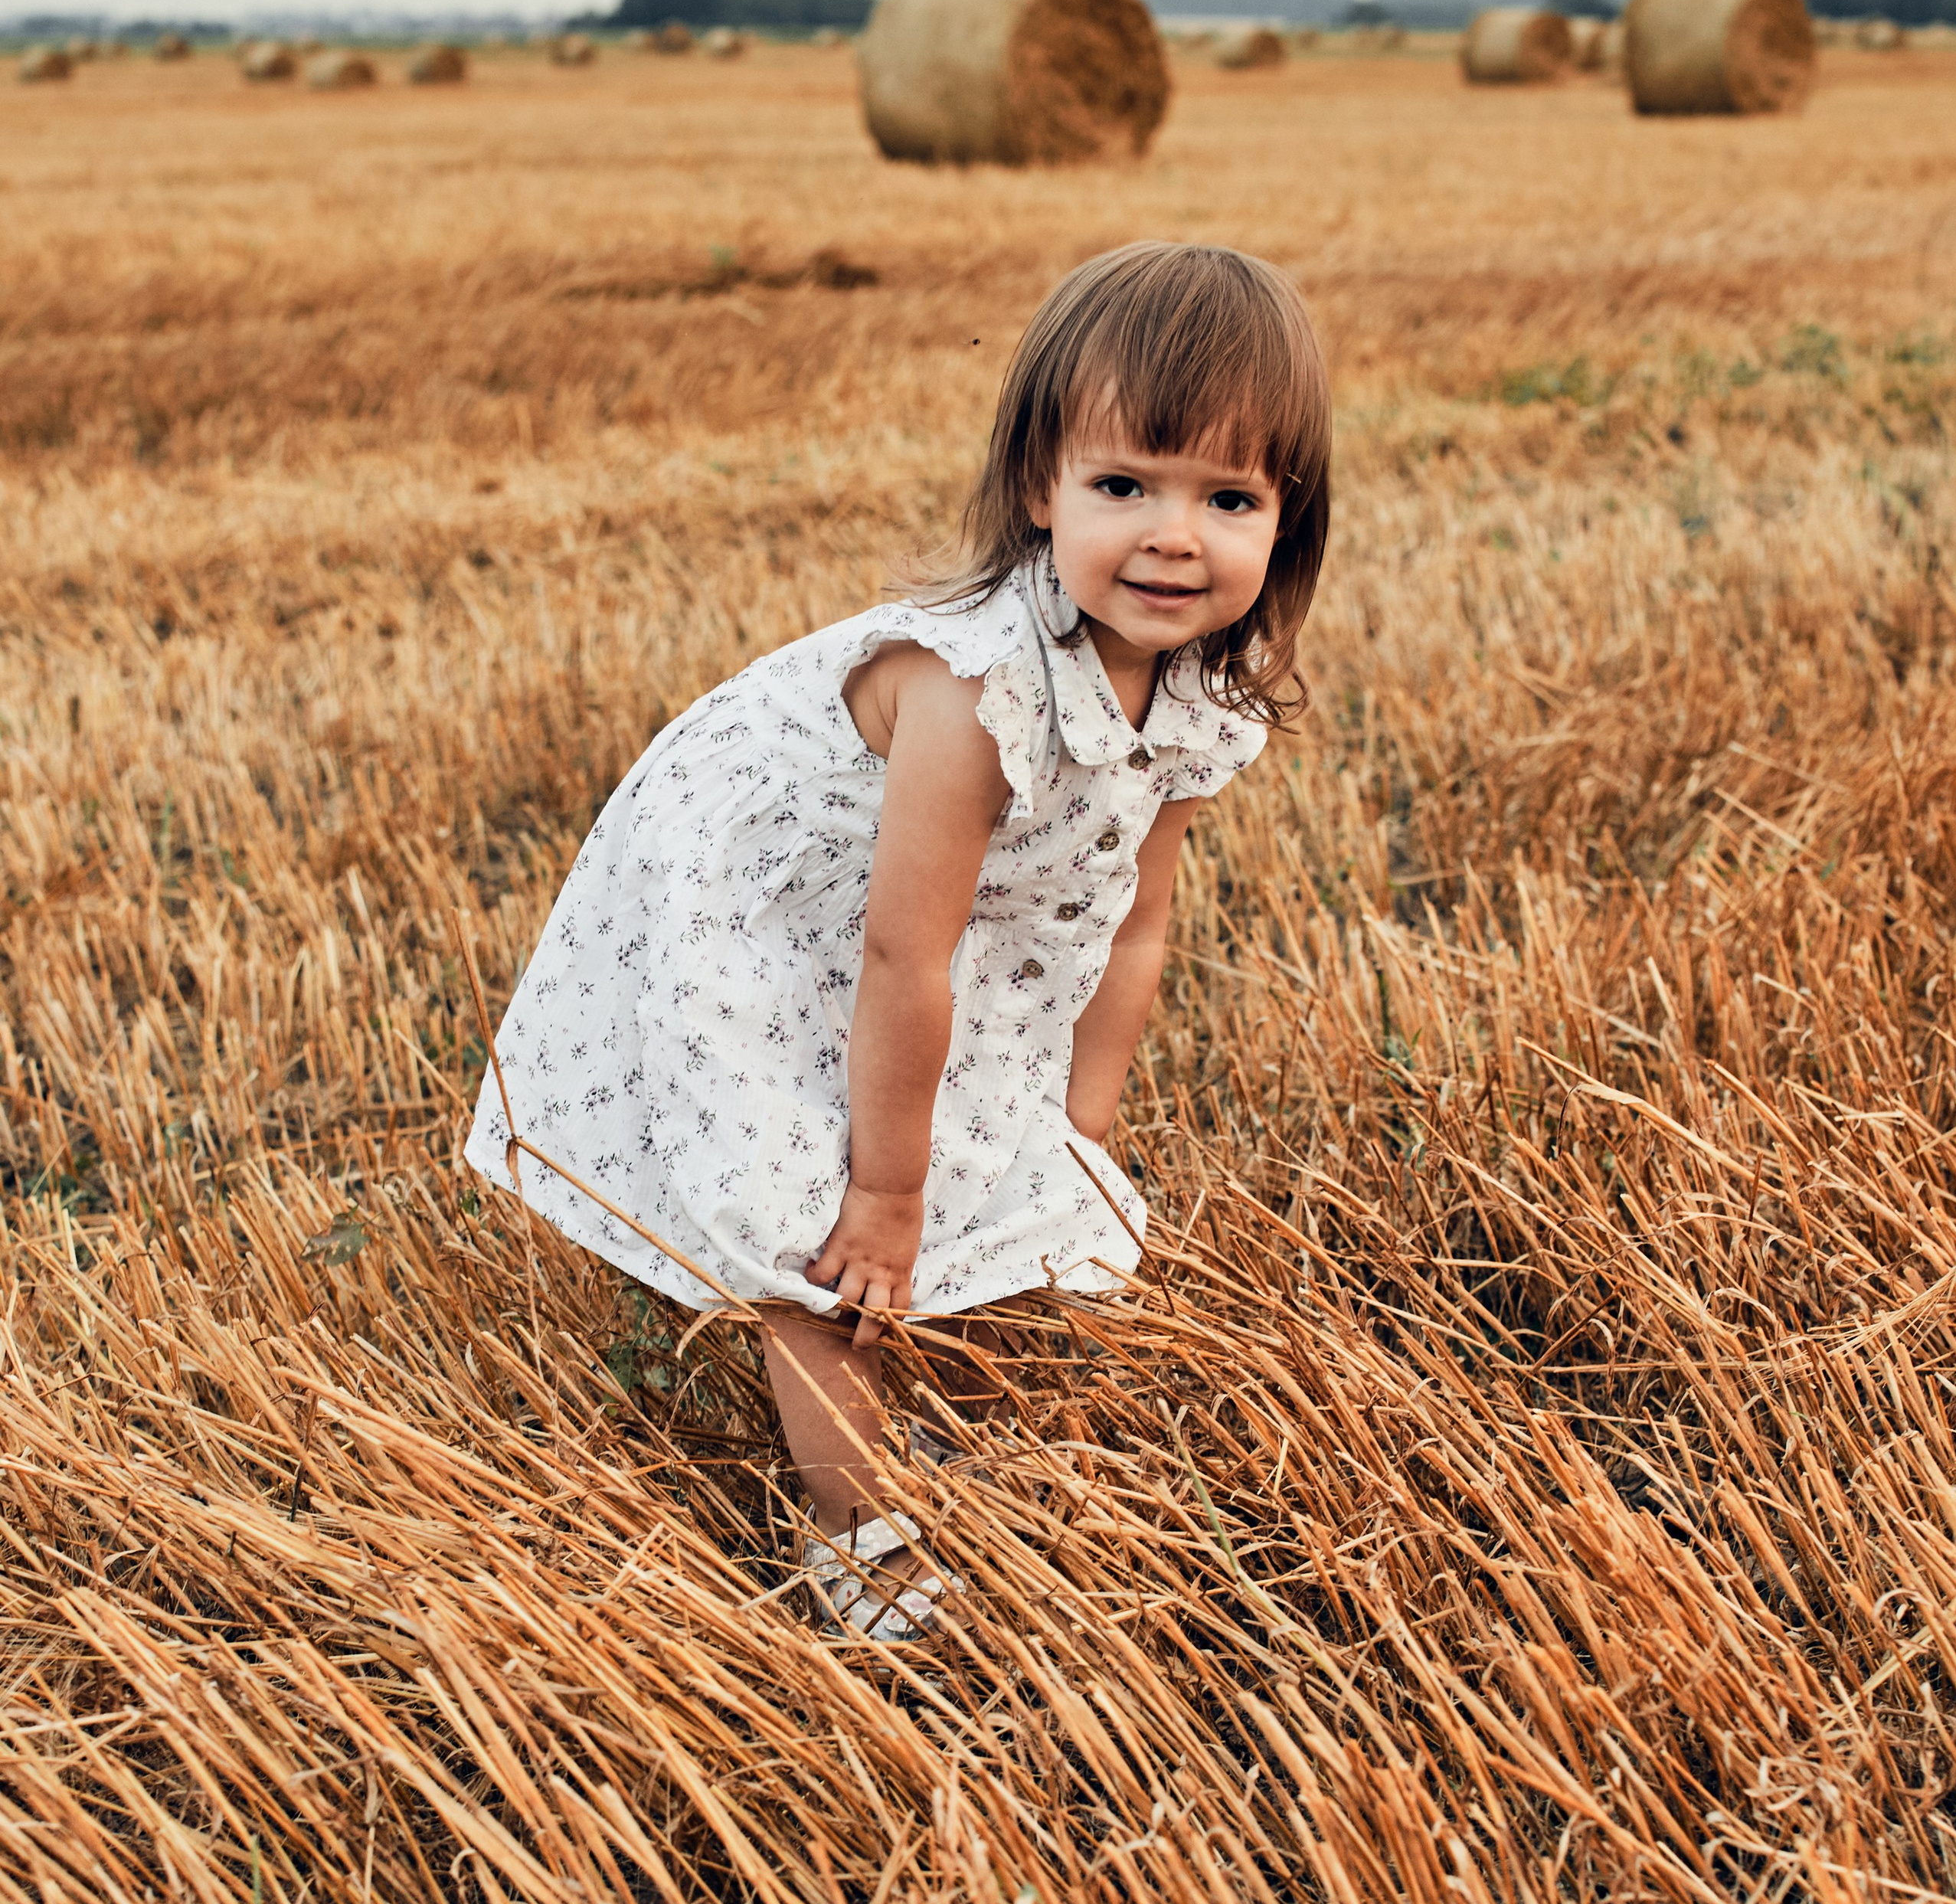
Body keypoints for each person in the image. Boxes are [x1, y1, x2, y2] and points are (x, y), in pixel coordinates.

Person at [465, 240, 1333, 1638]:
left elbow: (1133, 932)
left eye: (1227, 497)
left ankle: (919, 1422)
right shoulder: (969, 692)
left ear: (1286, 525)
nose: (1175, 535)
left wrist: (1079, 1137)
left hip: (918, 922)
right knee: (830, 1240)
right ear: (1039, 491)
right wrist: (885, 1194)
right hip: (763, 894)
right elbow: (897, 958)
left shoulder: (1196, 706)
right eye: (1124, 486)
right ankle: (853, 1534)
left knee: (1006, 1176)